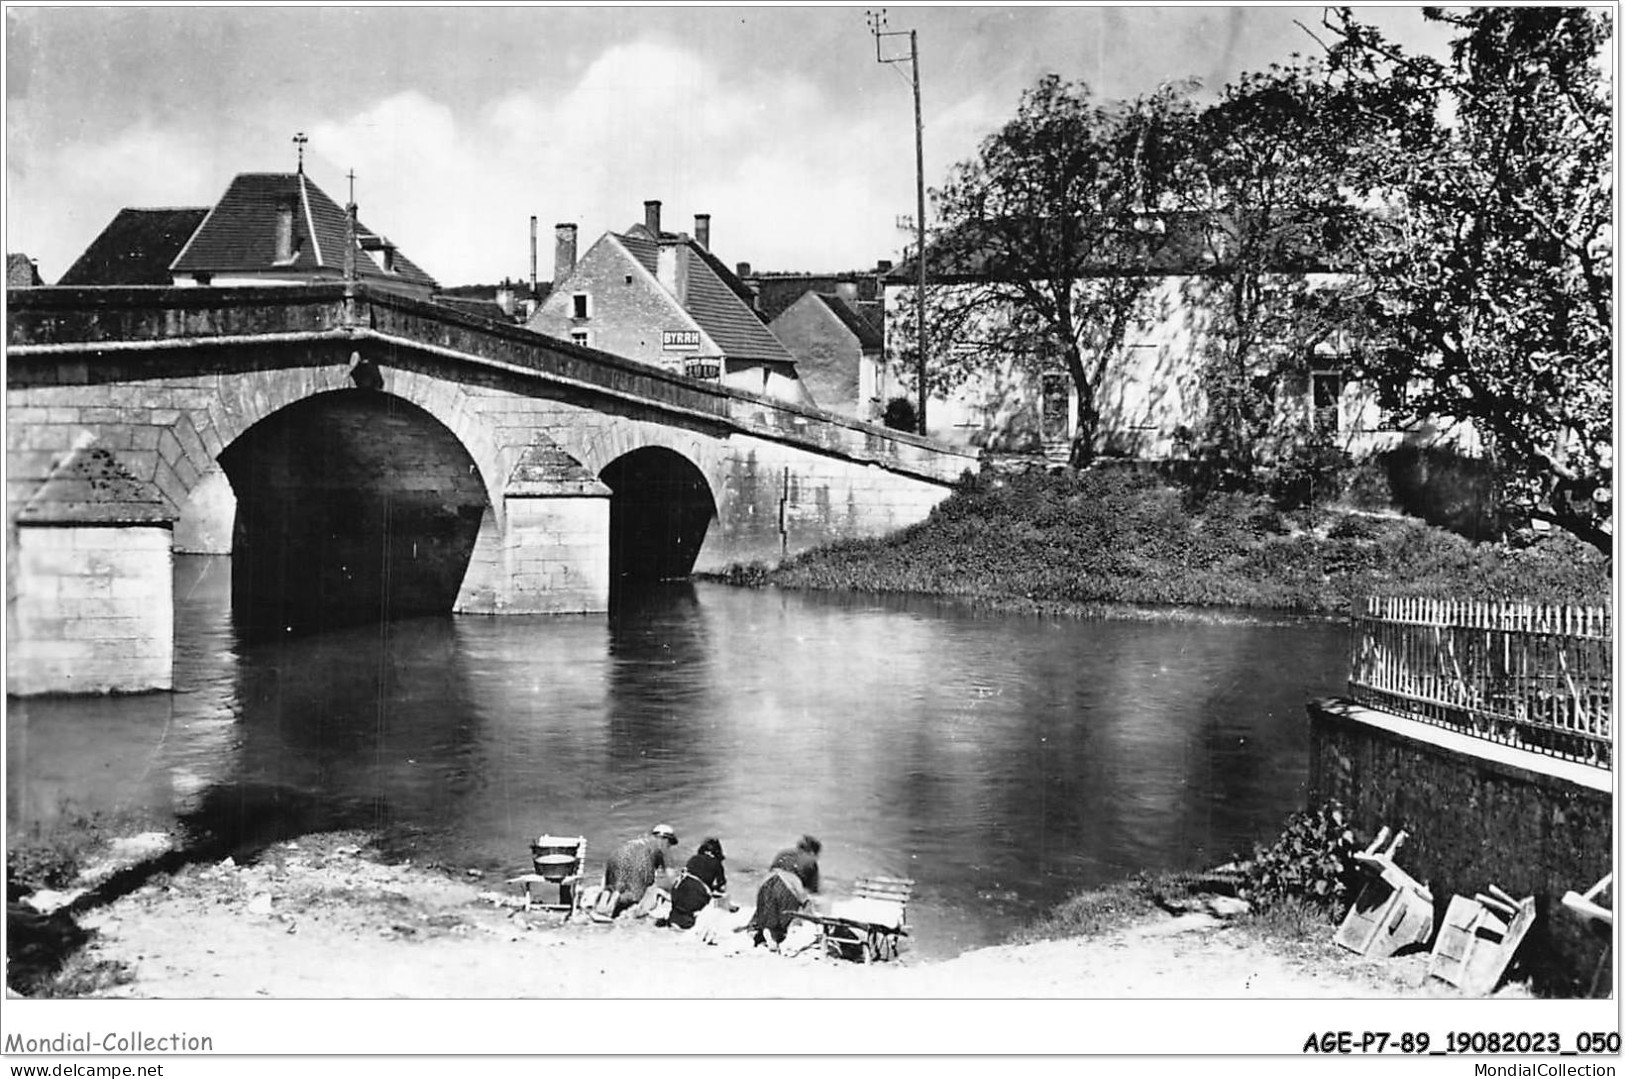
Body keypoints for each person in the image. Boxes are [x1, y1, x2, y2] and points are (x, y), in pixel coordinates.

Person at [746, 834, 822, 949]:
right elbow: (812, 891)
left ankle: (759, 931)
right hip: (787, 886)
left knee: (767, 909)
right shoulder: (811, 863)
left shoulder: (784, 854)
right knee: (784, 915)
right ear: (812, 852)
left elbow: (773, 869)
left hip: (767, 882)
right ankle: (774, 935)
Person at [593, 823, 679, 921]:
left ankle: (606, 897)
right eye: (670, 843)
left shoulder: (639, 840)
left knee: (615, 884)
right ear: (667, 839)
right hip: (640, 859)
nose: (669, 846)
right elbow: (671, 877)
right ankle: (618, 899)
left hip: (617, 855)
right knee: (635, 894)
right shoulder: (662, 847)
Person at [662, 836, 731, 930]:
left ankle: (674, 920)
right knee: (693, 906)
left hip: (678, 889)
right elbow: (722, 886)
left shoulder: (693, 858)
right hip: (696, 893)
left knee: (681, 907)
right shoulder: (716, 863)